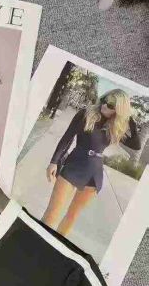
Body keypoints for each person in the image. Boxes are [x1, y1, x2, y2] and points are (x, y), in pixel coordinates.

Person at [42, 89, 141, 235]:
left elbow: (136, 145)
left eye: (111, 105)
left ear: (118, 110)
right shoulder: (86, 114)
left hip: (94, 175)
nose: (105, 105)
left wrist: (129, 119)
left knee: (72, 217)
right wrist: (54, 161)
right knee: (52, 214)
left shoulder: (115, 127)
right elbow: (67, 138)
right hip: (73, 166)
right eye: (105, 100)